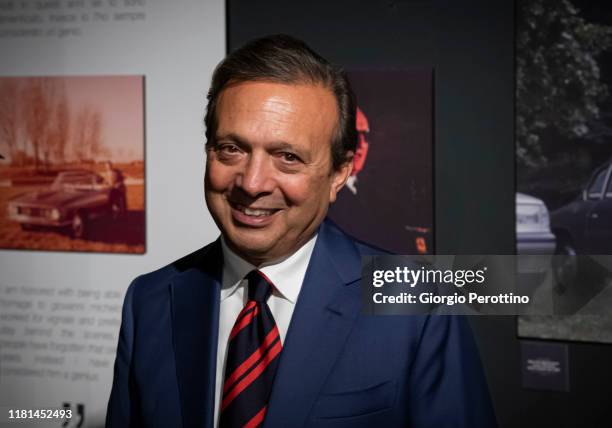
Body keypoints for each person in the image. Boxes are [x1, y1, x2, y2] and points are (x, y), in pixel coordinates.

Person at [106, 34, 497, 428]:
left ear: (339, 174)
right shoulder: (151, 301)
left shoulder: (419, 305)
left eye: (287, 157)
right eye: (231, 149)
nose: (252, 182)